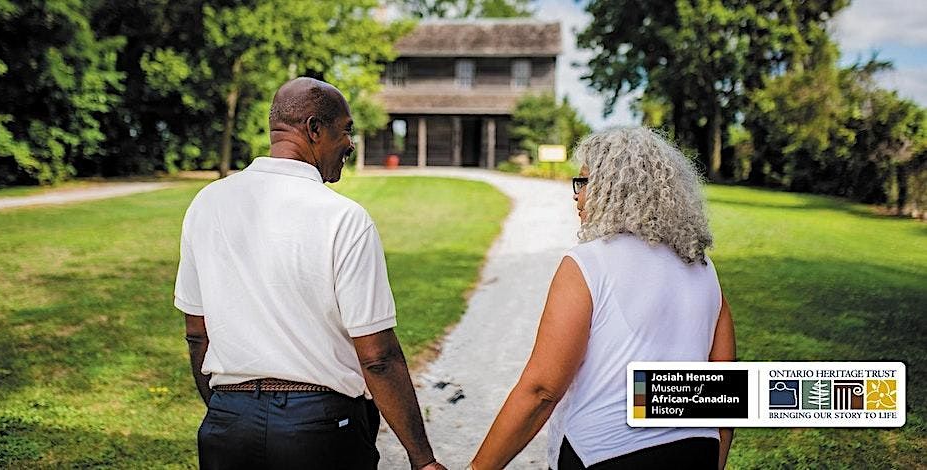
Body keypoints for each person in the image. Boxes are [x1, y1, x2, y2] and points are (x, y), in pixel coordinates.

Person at [174, 77, 446, 470]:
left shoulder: (206, 204)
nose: (350, 143)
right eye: (346, 129)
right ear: (315, 129)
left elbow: (197, 333)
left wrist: (228, 412)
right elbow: (378, 358)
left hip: (228, 424)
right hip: (320, 428)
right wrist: (423, 459)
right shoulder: (343, 218)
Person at [470, 127, 736, 469]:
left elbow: (541, 390)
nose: (576, 196)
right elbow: (722, 397)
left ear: (613, 190)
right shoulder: (703, 268)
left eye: (583, 183)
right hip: (694, 450)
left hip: (604, 453)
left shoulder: (589, 262)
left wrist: (477, 467)